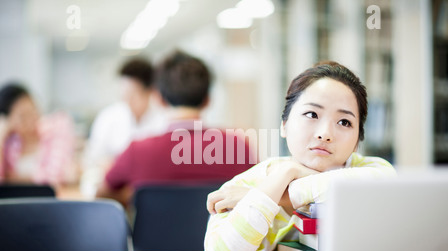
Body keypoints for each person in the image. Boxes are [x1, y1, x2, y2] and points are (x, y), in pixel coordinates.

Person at [204, 61, 397, 251]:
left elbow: (385, 188)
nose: (325, 134)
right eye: (312, 115)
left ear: (358, 140)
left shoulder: (374, 171)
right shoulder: (251, 180)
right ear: (284, 126)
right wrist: (284, 173)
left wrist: (274, 196)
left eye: (344, 122)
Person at [96, 50, 256, 207]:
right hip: (219, 234)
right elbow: (260, 195)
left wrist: (134, 195)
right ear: (208, 100)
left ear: (159, 99)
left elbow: (101, 193)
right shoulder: (237, 146)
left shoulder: (137, 151)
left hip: (155, 234)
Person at [81, 57, 168, 197]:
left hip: (152, 193)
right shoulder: (108, 118)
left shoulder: (164, 119)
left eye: (132, 95)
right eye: (124, 95)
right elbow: (92, 160)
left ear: (150, 92)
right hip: (113, 191)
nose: (127, 101)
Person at [0, 83, 76, 187]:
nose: (32, 120)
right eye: (23, 116)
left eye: (33, 110)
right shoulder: (9, 142)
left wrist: (13, 179)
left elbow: (53, 178)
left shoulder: (55, 127)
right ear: (7, 120)